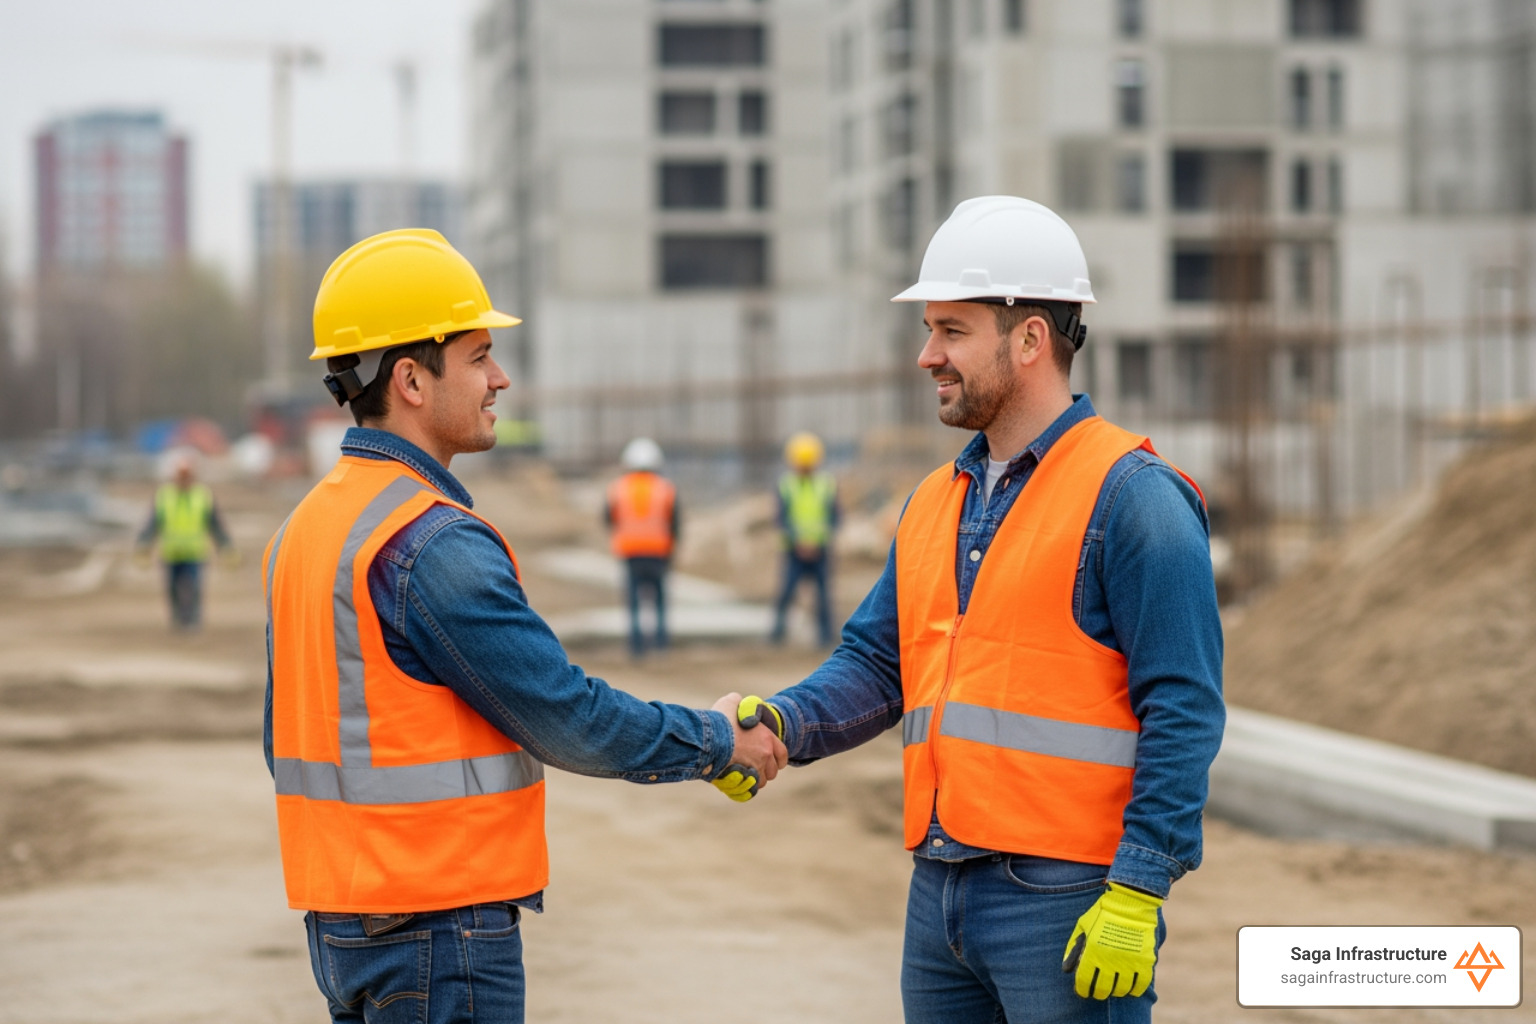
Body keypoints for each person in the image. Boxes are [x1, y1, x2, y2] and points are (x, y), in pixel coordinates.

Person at [262, 228, 786, 1024]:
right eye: (477, 356)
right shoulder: (427, 541)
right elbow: (566, 715)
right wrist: (714, 743)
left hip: (347, 923)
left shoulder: (307, 528)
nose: (500, 378)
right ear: (409, 377)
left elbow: (285, 741)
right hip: (436, 928)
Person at [721, 197, 1225, 1023]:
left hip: (1066, 901)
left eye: (951, 330)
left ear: (1029, 339)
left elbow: (1185, 703)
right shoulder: (933, 501)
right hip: (940, 893)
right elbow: (879, 664)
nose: (927, 356)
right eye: (930, 330)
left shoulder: (1134, 498)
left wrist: (1140, 886)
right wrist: (782, 722)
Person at [135, 455, 234, 631]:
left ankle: (193, 621)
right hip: (172, 552)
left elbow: (215, 524)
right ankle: (178, 620)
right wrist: (144, 545)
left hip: (194, 552)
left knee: (194, 587)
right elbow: (153, 524)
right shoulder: (164, 496)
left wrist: (225, 546)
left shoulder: (202, 496)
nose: (184, 479)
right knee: (173, 588)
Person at [605, 437, 678, 657]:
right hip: (658, 552)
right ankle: (661, 644)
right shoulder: (665, 488)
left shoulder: (618, 487)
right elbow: (674, 522)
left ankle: (636, 646)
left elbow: (609, 518)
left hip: (630, 552)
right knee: (659, 601)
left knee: (634, 602)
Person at [769, 431, 840, 647]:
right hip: (794, 551)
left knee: (823, 597)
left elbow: (834, 518)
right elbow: (781, 520)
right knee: (786, 594)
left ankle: (825, 637)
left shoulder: (826, 485)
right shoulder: (786, 486)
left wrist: (817, 542)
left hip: (819, 550)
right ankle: (776, 635)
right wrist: (798, 541)